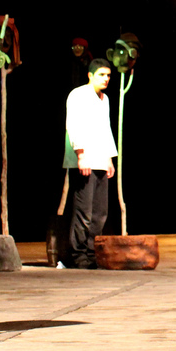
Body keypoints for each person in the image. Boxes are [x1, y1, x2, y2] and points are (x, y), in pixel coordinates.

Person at [62, 58, 118, 269]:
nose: (106, 79)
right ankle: (77, 255)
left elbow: (106, 129)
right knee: (83, 211)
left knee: (100, 212)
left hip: (101, 159)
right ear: (90, 75)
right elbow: (73, 126)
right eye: (101, 75)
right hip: (85, 159)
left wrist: (110, 158)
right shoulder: (78, 95)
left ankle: (92, 252)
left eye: (108, 75)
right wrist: (81, 154)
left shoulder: (105, 99)